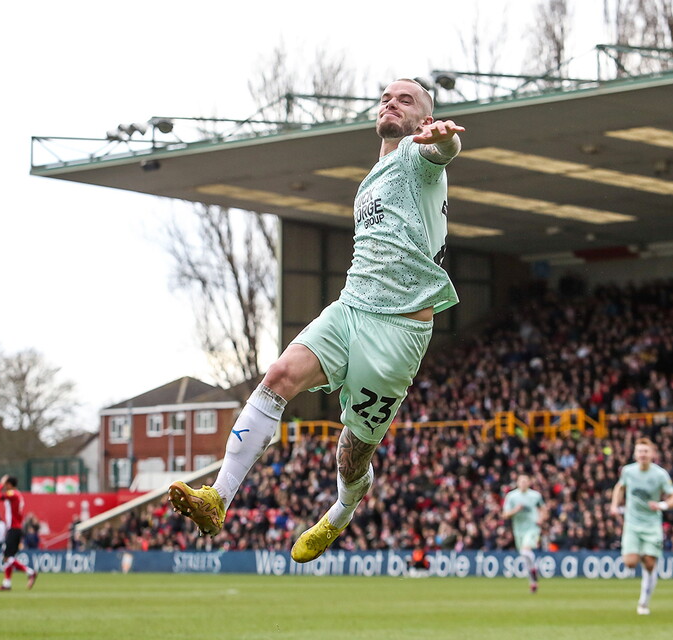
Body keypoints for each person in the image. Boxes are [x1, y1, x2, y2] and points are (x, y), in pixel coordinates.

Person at [169, 78, 465, 563]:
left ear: (424, 120)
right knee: (278, 376)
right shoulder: (375, 173)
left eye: (406, 100)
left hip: (397, 333)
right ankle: (217, 498)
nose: (392, 103)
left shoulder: (419, 155)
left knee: (353, 453)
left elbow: (444, 152)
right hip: (350, 309)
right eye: (386, 98)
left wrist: (445, 138)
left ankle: (341, 512)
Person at [609, 438, 673, 615]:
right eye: (640, 451)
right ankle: (643, 552)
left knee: (649, 564)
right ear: (635, 454)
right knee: (630, 562)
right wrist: (614, 505)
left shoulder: (660, 474)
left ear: (652, 454)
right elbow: (619, 487)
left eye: (646, 451)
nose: (642, 454)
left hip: (651, 525)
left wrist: (661, 505)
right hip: (632, 524)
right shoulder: (628, 471)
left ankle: (643, 602)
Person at [0, 475, 37, 591]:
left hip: (14, 529)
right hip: (16, 529)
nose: (4, 487)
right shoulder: (17, 494)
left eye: (5, 484)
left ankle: (30, 572)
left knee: (7, 558)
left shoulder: (12, 494)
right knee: (8, 557)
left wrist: (0, 484)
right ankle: (7, 584)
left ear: (9, 484)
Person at [502, 474, 547, 593]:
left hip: (532, 527)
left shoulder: (535, 495)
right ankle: (533, 582)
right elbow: (505, 515)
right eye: (521, 481)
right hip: (518, 530)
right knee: (525, 556)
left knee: (525, 551)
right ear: (517, 483)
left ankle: (534, 571)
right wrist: (515, 510)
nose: (523, 484)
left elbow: (543, 508)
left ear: (529, 483)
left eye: (525, 481)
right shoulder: (511, 496)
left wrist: (541, 518)